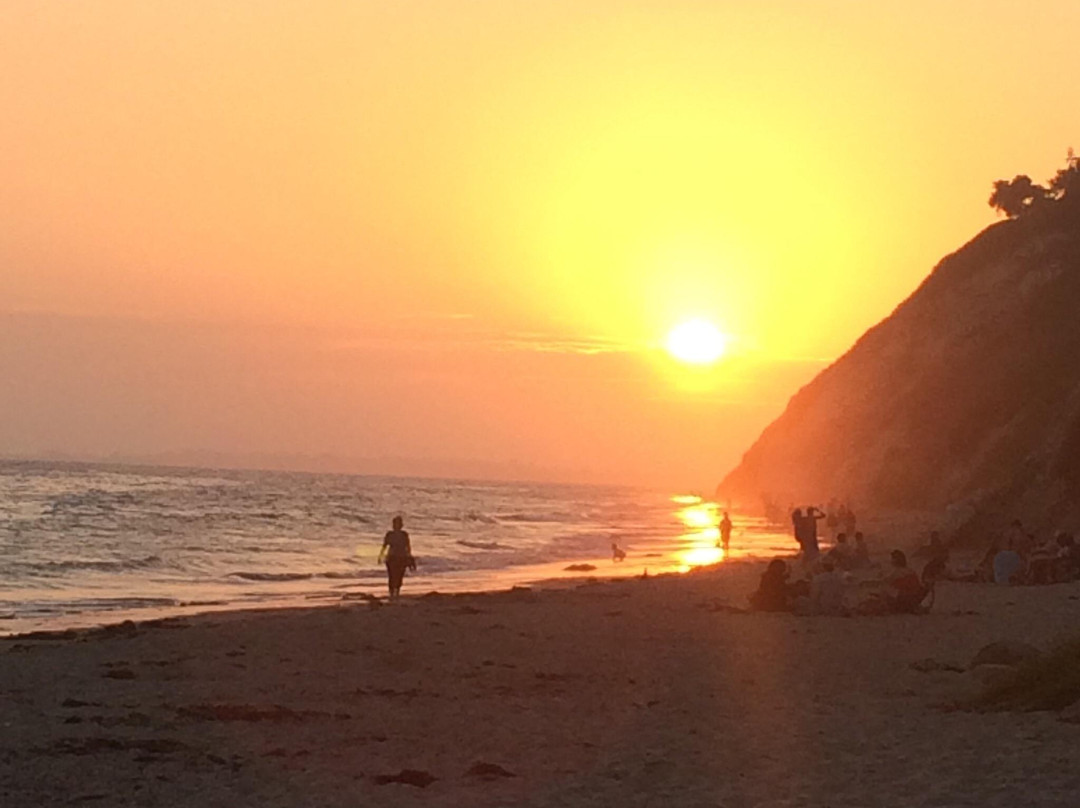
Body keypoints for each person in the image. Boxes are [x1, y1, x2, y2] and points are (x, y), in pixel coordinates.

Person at [378, 515, 415, 599]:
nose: (396, 525)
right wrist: (380, 556)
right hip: (391, 557)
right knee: (391, 575)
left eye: (398, 523)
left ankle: (397, 592)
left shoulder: (404, 535)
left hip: (401, 557)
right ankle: (391, 593)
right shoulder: (389, 534)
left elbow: (408, 547)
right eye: (395, 523)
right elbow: (384, 546)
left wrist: (409, 557)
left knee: (399, 575)